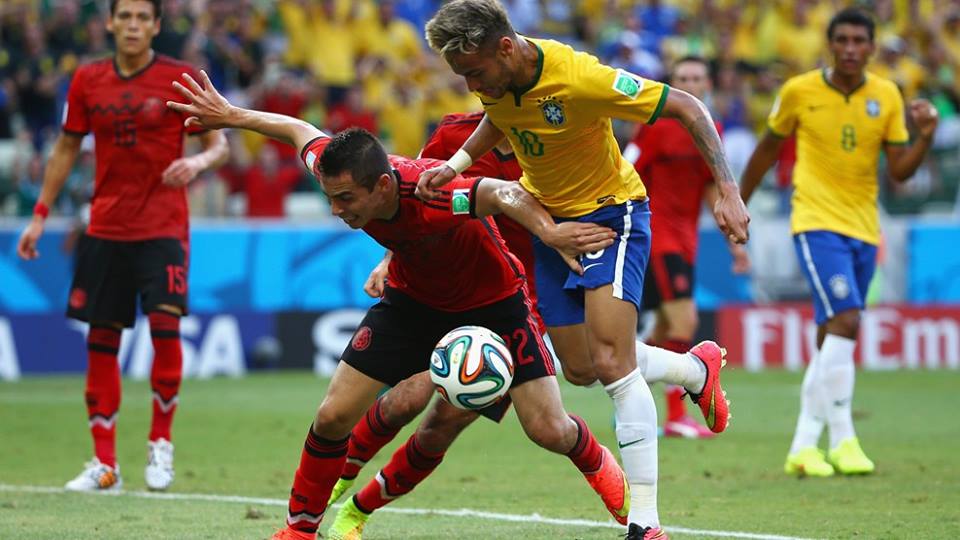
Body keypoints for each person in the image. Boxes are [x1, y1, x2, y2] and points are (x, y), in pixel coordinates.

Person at [166, 70, 630, 540]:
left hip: (495, 304)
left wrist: (550, 232)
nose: (336, 210)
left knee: (548, 428)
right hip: (413, 301)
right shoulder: (346, 167)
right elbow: (297, 129)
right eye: (330, 198)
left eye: (345, 199)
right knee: (332, 415)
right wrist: (231, 115)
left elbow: (501, 192)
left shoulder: (430, 195)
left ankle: (599, 463)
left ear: (383, 187)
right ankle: (300, 530)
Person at [417, 2, 751, 538]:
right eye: (464, 76)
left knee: (613, 364)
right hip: (549, 224)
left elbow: (688, 106)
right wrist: (454, 166)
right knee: (580, 367)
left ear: (506, 47)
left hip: (611, 217)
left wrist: (728, 190)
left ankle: (645, 522)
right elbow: (499, 118)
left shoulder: (579, 77)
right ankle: (694, 370)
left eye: (475, 72)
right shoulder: (495, 79)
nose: (472, 84)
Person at [15, 0, 228, 492]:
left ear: (156, 25)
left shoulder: (178, 79)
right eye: (125, 16)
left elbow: (218, 144)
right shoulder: (87, 80)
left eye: (142, 18)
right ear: (110, 23)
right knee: (101, 342)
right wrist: (39, 216)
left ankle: (161, 444)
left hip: (163, 228)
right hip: (106, 229)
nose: (133, 25)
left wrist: (196, 164)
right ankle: (104, 463)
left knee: (165, 331)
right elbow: (66, 147)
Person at [322, 111, 542, 537]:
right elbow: (407, 204)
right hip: (440, 290)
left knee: (443, 423)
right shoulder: (454, 135)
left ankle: (359, 509)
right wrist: (388, 260)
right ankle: (339, 475)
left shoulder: (558, 136)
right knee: (404, 399)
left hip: (513, 298)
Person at [740, 8, 937, 478]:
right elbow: (767, 150)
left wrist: (925, 137)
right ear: (829, 44)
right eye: (842, 40)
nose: (850, 48)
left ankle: (803, 447)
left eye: (858, 41)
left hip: (865, 228)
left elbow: (899, 171)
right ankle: (844, 438)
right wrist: (736, 202)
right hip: (815, 221)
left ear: (871, 47)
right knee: (847, 320)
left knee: (832, 334)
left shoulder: (886, 95)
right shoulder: (799, 91)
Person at [624, 56, 750, 439]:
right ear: (671, 84)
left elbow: (713, 187)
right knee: (685, 322)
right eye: (683, 78)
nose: (690, 84)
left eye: (697, 78)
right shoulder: (655, 126)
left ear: (708, 84)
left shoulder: (712, 129)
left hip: (686, 239)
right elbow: (625, 171)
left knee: (664, 328)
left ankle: (628, 396)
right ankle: (676, 416)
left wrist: (734, 244)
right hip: (656, 238)